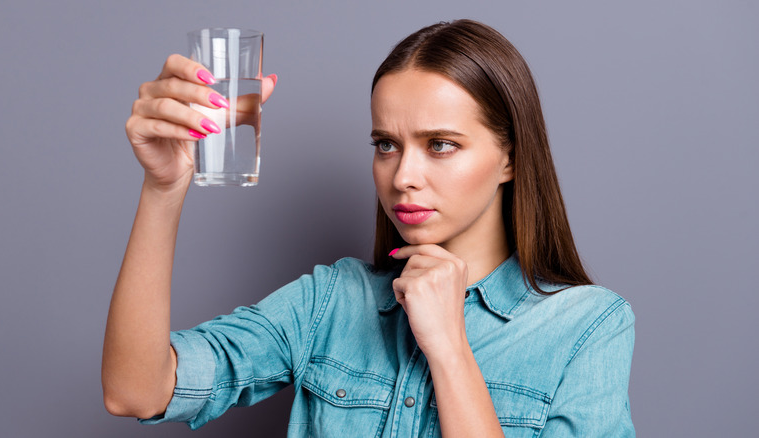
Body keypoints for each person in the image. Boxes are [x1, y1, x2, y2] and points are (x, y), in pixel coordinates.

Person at [102, 19, 635, 437]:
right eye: (386, 145)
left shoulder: (586, 327)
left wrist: (449, 348)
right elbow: (136, 392)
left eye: (440, 144)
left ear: (509, 160)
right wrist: (163, 188)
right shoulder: (332, 301)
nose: (403, 177)